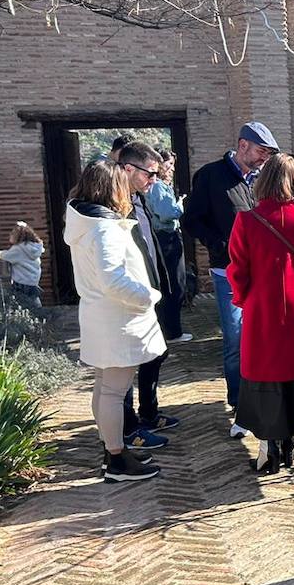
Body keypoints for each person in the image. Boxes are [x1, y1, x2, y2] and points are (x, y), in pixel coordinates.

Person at [226, 153, 294, 475]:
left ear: (264, 179)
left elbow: (238, 269)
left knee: (267, 377)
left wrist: (245, 299)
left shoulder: (247, 220)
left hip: (263, 310)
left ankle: (272, 447)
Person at [63, 160, 165, 483]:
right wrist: (149, 296)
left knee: (104, 387)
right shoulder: (103, 228)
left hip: (102, 316)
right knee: (112, 392)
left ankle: (112, 450)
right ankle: (117, 458)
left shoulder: (87, 223)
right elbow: (113, 280)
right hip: (117, 318)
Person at [185, 121, 279, 435]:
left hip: (262, 271)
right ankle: (240, 405)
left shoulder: (265, 178)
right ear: (242, 145)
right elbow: (192, 220)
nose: (264, 158)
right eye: (260, 151)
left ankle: (264, 401)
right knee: (236, 338)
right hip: (227, 272)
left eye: (268, 153)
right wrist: (218, 243)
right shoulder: (211, 176)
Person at [116, 142, 182, 445]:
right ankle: (128, 430)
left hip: (151, 293)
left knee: (156, 354)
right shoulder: (114, 208)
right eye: (151, 174)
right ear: (129, 169)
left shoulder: (138, 199)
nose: (154, 180)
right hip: (131, 300)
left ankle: (149, 413)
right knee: (126, 366)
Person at [147, 148, 191, 343]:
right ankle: (172, 332)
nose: (172, 169)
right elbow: (167, 212)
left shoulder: (161, 186)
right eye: (169, 164)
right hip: (166, 237)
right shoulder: (157, 187)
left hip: (167, 236)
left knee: (175, 283)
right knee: (174, 283)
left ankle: (171, 329)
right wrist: (180, 205)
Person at [0, 221, 45, 309]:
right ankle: (40, 316)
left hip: (21, 282)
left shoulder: (18, 249)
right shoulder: (34, 247)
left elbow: (5, 256)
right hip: (33, 281)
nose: (10, 235)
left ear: (18, 236)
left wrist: (3, 252)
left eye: (12, 233)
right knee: (34, 300)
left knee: (21, 304)